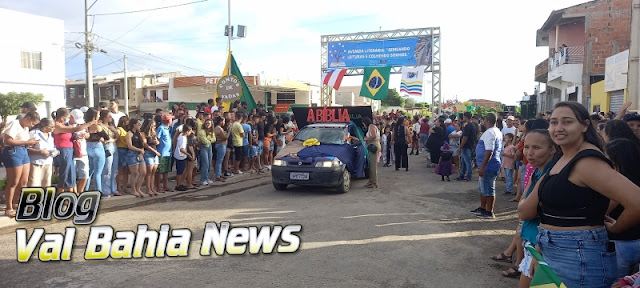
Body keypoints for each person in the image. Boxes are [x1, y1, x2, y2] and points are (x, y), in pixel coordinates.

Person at [519, 101, 640, 288]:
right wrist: (541, 250)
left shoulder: (587, 162)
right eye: (553, 122)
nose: (558, 128)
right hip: (555, 250)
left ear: (584, 125)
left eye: (567, 122)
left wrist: (615, 229)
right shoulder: (563, 157)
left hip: (579, 257)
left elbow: (637, 201)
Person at [509, 129, 558, 287]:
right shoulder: (537, 171)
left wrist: (524, 206)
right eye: (527, 147)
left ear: (552, 149)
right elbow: (522, 206)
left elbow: (524, 212)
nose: (529, 153)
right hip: (532, 242)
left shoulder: (551, 175)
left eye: (536, 148)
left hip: (543, 247)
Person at [604, 139, 640, 279]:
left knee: (617, 282)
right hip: (636, 240)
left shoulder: (618, 185)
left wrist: (614, 227)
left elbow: (603, 211)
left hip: (620, 245)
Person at [2, 112, 40, 217]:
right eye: (32, 123)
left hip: (23, 151)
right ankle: (8, 207)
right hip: (12, 151)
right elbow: (7, 140)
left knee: (23, 181)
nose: (32, 126)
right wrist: (26, 142)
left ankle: (15, 202)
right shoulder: (14, 124)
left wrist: (30, 142)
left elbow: (22, 141)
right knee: (13, 181)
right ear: (27, 118)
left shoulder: (26, 128)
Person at [472, 112, 502, 219]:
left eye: (484, 120)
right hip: (487, 165)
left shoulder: (490, 133)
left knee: (488, 189)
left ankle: (489, 211)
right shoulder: (495, 131)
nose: (483, 122)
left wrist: (483, 166)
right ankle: (483, 208)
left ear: (487, 121)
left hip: (489, 166)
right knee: (483, 188)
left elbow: (489, 150)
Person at [84, 108, 109, 196]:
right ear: (94, 116)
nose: (99, 116)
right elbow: (106, 137)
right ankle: (98, 191)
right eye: (98, 114)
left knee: (89, 172)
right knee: (98, 173)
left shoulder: (85, 125)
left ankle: (85, 190)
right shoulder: (97, 126)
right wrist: (99, 138)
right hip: (98, 148)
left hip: (88, 148)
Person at [27, 118, 57, 188]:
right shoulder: (33, 133)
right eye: (52, 127)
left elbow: (53, 147)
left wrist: (54, 152)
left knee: (46, 183)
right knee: (34, 183)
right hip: (36, 162)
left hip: (48, 162)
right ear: (46, 127)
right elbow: (27, 148)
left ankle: (45, 198)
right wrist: (40, 152)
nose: (54, 128)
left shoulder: (50, 135)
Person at [100, 110, 121, 197]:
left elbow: (117, 137)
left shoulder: (111, 126)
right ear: (104, 117)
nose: (111, 118)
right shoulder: (101, 126)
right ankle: (106, 190)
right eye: (109, 116)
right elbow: (104, 139)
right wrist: (111, 139)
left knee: (114, 169)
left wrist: (115, 131)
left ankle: (113, 189)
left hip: (114, 145)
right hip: (107, 147)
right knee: (107, 170)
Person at [125, 119, 148, 197]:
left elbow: (142, 144)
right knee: (134, 173)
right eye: (138, 124)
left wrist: (141, 152)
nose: (139, 125)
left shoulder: (140, 134)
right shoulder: (129, 133)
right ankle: (133, 190)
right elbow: (130, 146)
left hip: (140, 153)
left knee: (143, 172)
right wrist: (140, 150)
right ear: (133, 124)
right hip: (132, 153)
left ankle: (138, 188)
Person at [141, 119, 160, 196]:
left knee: (153, 172)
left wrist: (157, 142)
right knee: (149, 172)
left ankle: (152, 188)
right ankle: (148, 189)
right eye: (153, 125)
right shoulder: (143, 133)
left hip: (154, 152)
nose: (154, 127)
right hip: (148, 152)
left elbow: (157, 141)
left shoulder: (153, 133)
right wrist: (154, 151)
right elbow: (145, 144)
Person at [155, 114, 173, 192]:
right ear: (168, 120)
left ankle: (165, 186)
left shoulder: (168, 129)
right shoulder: (161, 128)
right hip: (161, 153)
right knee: (159, 171)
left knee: (166, 170)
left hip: (168, 153)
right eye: (171, 119)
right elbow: (157, 139)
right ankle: (158, 187)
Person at [457, 112, 477, 181]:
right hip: (470, 145)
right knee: (464, 161)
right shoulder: (473, 125)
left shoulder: (468, 126)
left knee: (468, 162)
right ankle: (462, 175)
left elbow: (465, 137)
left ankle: (468, 176)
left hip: (466, 146)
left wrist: (460, 146)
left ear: (465, 117)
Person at [362, 117, 380, 188]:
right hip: (372, 144)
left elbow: (374, 136)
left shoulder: (371, 127)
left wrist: (366, 138)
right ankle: (371, 180)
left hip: (373, 145)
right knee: (371, 164)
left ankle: (374, 182)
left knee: (373, 165)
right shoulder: (372, 127)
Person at [174, 125, 192, 191]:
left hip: (180, 156)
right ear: (187, 131)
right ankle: (178, 185)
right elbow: (182, 149)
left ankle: (180, 184)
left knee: (182, 170)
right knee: (180, 172)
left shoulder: (182, 135)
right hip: (180, 156)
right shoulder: (183, 138)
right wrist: (188, 154)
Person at [198, 118, 216, 185]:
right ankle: (203, 179)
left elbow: (214, 139)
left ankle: (207, 177)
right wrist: (210, 140)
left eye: (209, 123)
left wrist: (209, 140)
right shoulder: (202, 131)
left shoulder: (211, 131)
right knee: (205, 163)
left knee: (209, 163)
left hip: (209, 147)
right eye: (206, 123)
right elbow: (204, 141)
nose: (207, 125)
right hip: (204, 147)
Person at [115, 116, 130, 194]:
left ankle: (125, 187)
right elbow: (116, 139)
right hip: (121, 149)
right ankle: (118, 187)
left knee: (126, 170)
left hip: (127, 150)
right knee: (120, 170)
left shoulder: (127, 130)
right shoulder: (119, 129)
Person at [213, 117, 228, 182]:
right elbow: (225, 138)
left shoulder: (217, 128)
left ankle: (219, 174)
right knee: (219, 161)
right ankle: (218, 176)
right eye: (223, 121)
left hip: (220, 145)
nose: (224, 123)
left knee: (220, 160)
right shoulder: (219, 128)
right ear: (221, 121)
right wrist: (229, 131)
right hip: (221, 145)